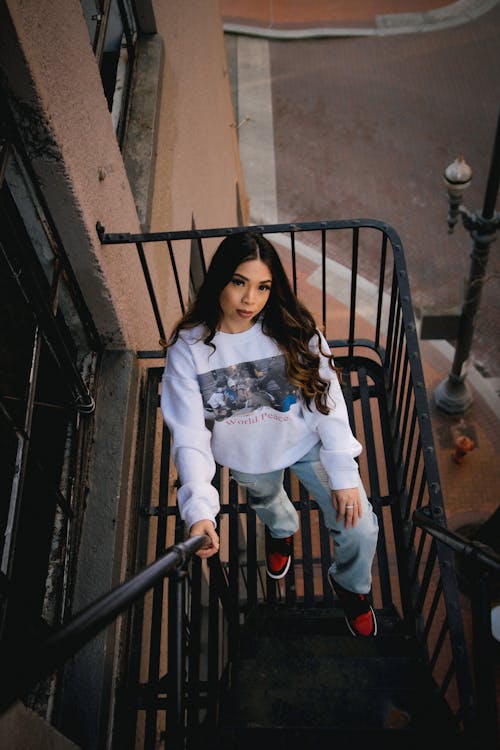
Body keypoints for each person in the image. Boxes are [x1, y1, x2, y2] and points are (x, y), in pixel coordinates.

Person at [161, 232, 379, 637]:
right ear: (219, 281)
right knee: (270, 504)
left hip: (306, 443)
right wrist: (199, 510)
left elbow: (325, 398)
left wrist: (345, 473)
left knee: (361, 526)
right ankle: (282, 533)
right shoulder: (188, 349)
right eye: (239, 283)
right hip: (247, 456)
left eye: (263, 287)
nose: (251, 301)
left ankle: (351, 586)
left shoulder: (292, 328)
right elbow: (189, 434)